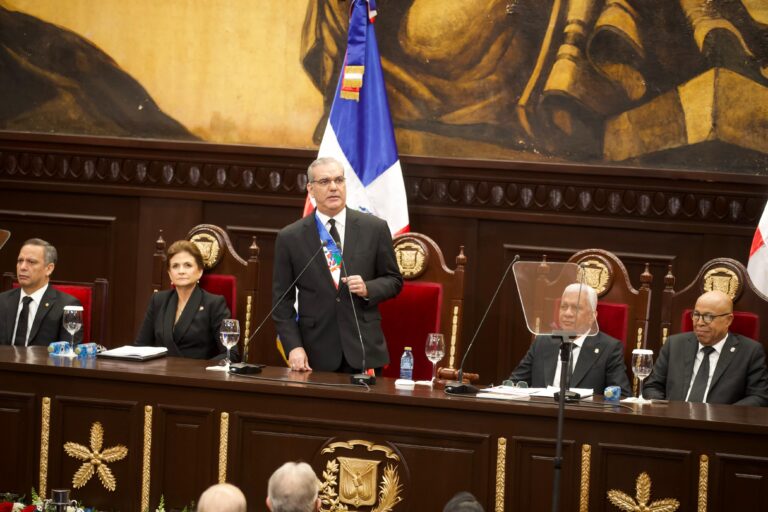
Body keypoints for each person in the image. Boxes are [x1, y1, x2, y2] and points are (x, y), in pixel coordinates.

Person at [272, 157, 403, 373]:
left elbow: (394, 280)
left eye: (339, 180)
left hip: (363, 348)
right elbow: (281, 302)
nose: (333, 187)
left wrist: (368, 288)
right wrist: (294, 346)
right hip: (314, 352)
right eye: (324, 182)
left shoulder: (374, 228)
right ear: (311, 189)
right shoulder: (290, 237)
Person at [643, 290, 768, 406]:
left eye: (709, 317)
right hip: (674, 422)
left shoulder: (750, 351)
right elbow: (652, 386)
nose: (699, 322)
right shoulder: (674, 344)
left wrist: (726, 416)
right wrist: (666, 411)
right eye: (696, 314)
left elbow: (759, 396)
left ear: (728, 320)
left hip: (720, 425)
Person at [508, 283, 632, 396]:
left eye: (576, 308)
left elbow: (622, 396)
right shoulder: (542, 342)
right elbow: (514, 384)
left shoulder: (609, 348)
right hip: (541, 414)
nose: (567, 313)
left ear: (592, 316)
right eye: (564, 306)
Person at [135, 240, 234, 360]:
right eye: (175, 266)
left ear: (200, 271)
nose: (181, 271)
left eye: (188, 265)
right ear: (170, 274)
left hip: (196, 376)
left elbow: (230, 354)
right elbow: (139, 347)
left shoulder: (214, 303)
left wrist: (203, 371)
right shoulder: (158, 300)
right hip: (159, 374)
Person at [0, 238, 82, 346]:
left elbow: (69, 354)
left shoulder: (66, 306)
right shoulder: (2, 301)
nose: (22, 267)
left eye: (31, 262)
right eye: (20, 261)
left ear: (49, 269)